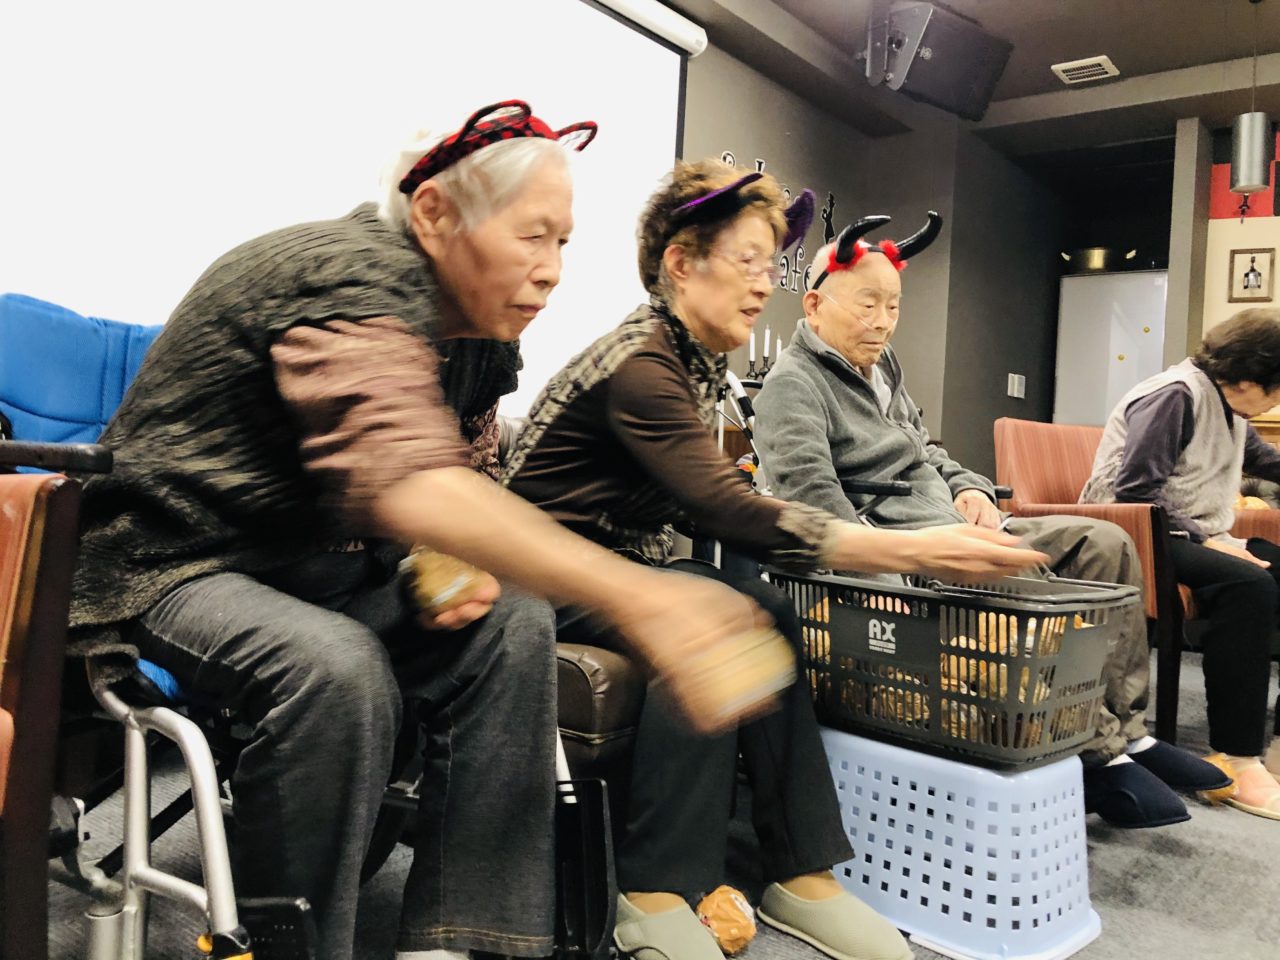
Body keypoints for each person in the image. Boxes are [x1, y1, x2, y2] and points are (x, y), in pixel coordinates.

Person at [67, 102, 791, 960]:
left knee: (513, 621)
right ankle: (291, 946)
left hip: (318, 570)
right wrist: (642, 598)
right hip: (176, 562)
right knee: (335, 667)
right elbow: (402, 476)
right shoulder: (344, 273)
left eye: (564, 242)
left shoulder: (480, 336)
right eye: (533, 237)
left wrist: (444, 558)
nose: (553, 271)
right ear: (436, 214)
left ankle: (463, 940)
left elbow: (461, 468)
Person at [504, 160, 1047, 960]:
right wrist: (908, 547)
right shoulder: (641, 364)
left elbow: (709, 501)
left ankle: (801, 871)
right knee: (710, 610)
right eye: (748, 261)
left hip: (618, 561)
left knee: (763, 603)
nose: (766, 283)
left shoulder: (692, 362)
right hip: (538, 572)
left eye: (772, 264)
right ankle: (654, 891)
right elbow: (724, 505)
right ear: (681, 263)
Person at [753, 214, 1234, 830]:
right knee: (1028, 579)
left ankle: (1127, 732)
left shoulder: (883, 367)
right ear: (815, 304)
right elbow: (815, 503)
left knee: (1106, 543)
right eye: (867, 305)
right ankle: (1096, 752)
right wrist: (889, 580)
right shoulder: (793, 385)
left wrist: (972, 489)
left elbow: (926, 451)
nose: (883, 322)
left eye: (893, 306)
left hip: (957, 522)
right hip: (910, 551)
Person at [1081, 308, 1280, 819]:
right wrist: (1207, 540)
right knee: (1248, 585)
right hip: (1133, 532)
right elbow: (1133, 492)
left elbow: (1263, 460)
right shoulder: (1175, 396)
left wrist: (1212, 539)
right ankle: (1237, 757)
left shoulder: (1230, 405)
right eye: (1276, 389)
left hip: (1187, 531)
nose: (1277, 401)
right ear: (1249, 378)